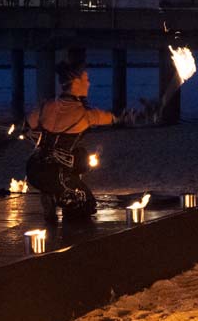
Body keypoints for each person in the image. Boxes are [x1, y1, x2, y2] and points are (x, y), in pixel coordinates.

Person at [25, 61, 135, 220]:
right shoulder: (84, 114)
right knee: (86, 204)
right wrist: (134, 116)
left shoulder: (45, 106)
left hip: (33, 169)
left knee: (79, 156)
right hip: (56, 175)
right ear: (76, 82)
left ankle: (53, 194)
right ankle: (58, 197)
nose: (89, 83)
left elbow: (27, 127)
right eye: (86, 79)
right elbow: (113, 118)